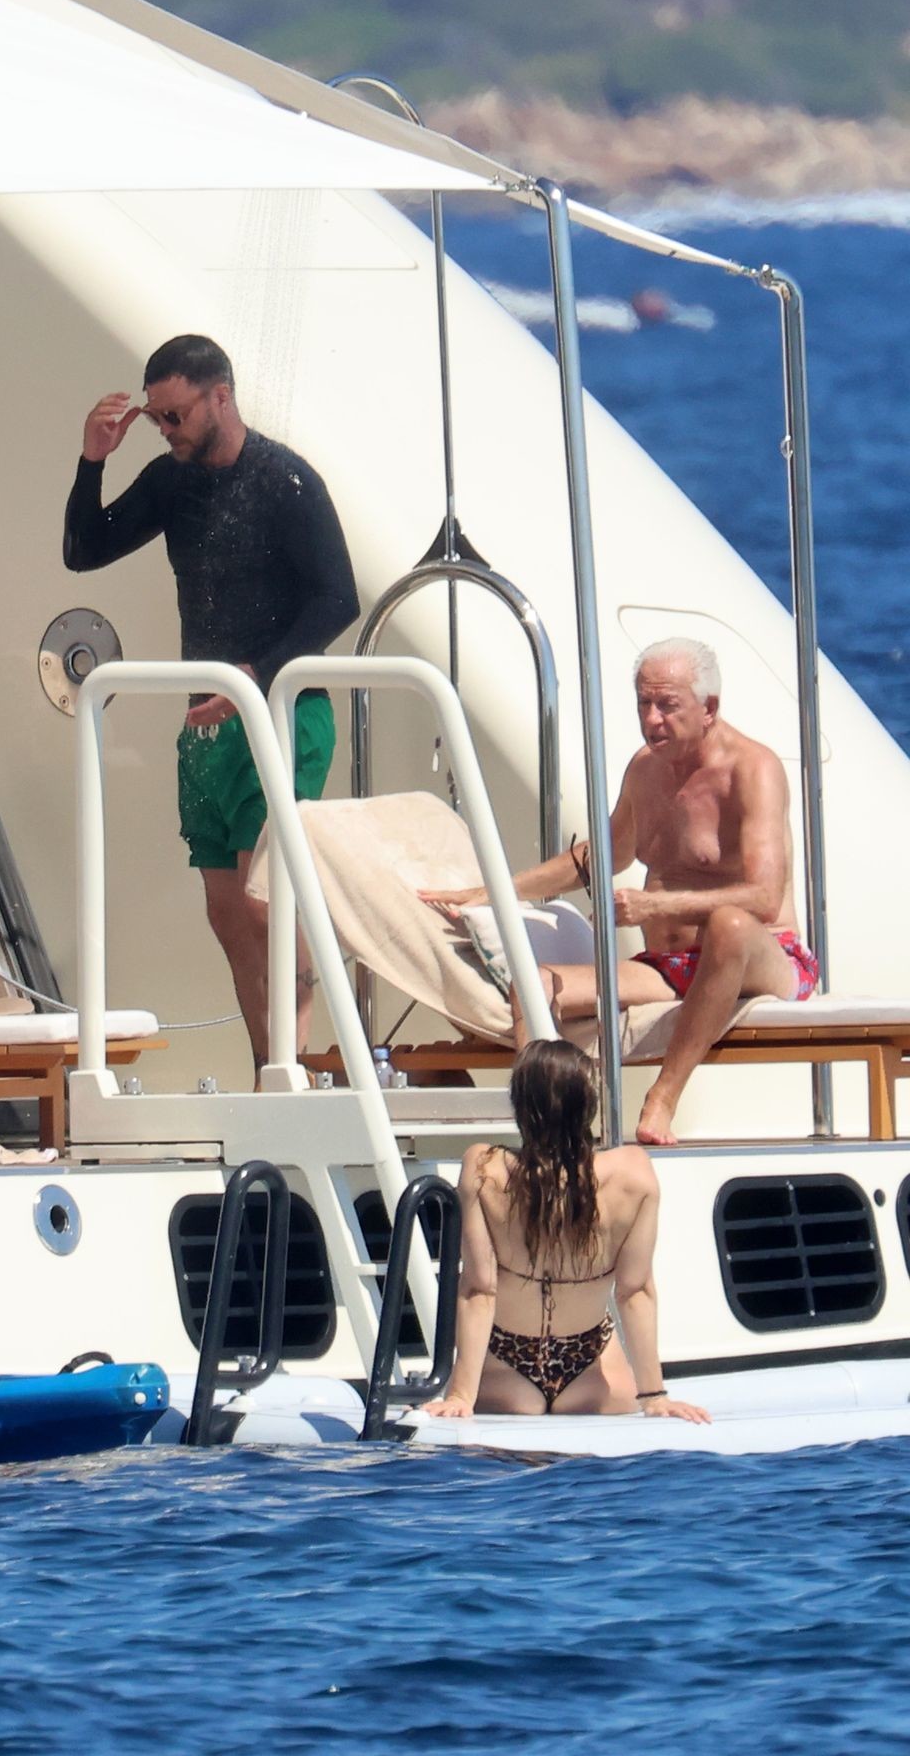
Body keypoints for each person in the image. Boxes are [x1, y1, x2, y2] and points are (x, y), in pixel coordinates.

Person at [65, 334, 359, 1077]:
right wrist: (93, 461)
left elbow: (338, 599)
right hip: (206, 722)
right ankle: (267, 1064)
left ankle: (293, 1064)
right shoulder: (172, 482)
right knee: (227, 913)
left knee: (265, 900)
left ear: (219, 397)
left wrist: (254, 677)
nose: (166, 430)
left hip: (281, 712)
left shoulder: (285, 480)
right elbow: (84, 550)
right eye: (157, 418)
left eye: (175, 415)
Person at [423, 636, 818, 1145]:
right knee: (533, 987)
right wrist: (493, 893)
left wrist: (655, 905)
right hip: (671, 968)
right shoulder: (645, 769)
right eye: (643, 703)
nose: (652, 719)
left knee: (730, 924)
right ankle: (552, 1133)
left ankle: (663, 1098)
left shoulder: (753, 770)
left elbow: (764, 899)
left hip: (763, 957)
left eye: (667, 705)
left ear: (709, 708)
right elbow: (599, 857)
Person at [427, 1040, 708, 1421]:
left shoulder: (484, 1168)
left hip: (505, 1363)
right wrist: (654, 1396)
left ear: (520, 1105)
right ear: (588, 1107)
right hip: (592, 1364)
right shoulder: (632, 1174)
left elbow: (479, 1288)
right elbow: (635, 1291)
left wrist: (461, 1395)